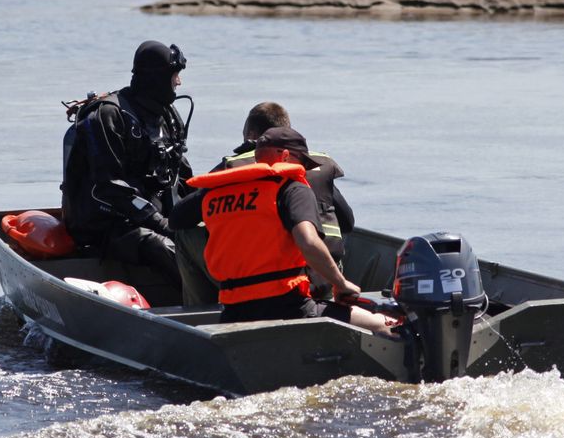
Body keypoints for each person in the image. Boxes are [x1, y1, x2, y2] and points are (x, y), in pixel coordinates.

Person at [169, 126, 397, 333]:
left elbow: (176, 220)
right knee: (383, 325)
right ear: (285, 156)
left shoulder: (215, 194)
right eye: (304, 164)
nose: (305, 171)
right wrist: (341, 283)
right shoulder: (292, 189)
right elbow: (308, 241)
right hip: (290, 308)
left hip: (234, 312)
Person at [61, 41, 192, 286]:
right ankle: (210, 304)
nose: (179, 82)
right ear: (158, 78)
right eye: (175, 75)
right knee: (163, 247)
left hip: (156, 220)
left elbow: (182, 177)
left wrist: (203, 214)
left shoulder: (167, 116)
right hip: (108, 227)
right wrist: (161, 224)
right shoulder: (107, 116)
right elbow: (109, 186)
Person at [214, 101, 354, 271]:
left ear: (251, 135)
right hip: (325, 273)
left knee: (188, 235)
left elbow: (185, 215)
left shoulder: (235, 166)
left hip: (271, 273)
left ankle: (200, 298)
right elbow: (347, 223)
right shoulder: (317, 165)